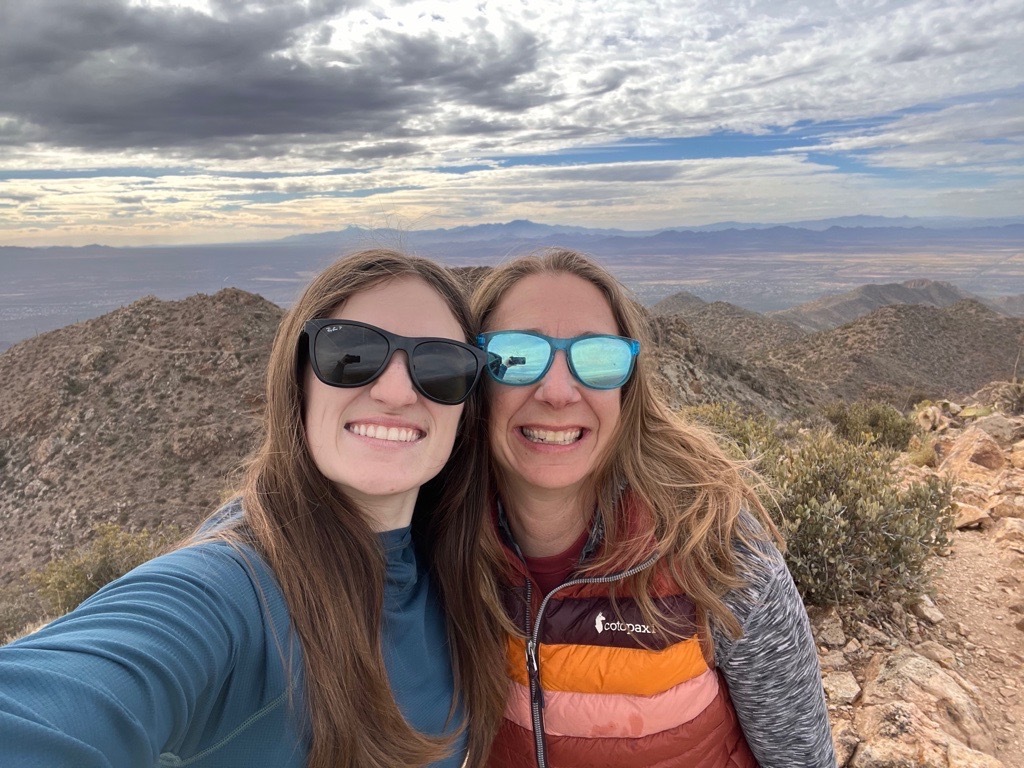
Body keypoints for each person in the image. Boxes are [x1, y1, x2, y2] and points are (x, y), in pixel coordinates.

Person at [0, 249, 508, 768]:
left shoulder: (461, 575)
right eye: (351, 354)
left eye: (441, 366)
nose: (397, 391)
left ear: (466, 408)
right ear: (299, 382)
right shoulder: (233, 592)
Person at [472, 248, 836, 767]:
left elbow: (802, 758)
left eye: (597, 357)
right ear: (475, 379)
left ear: (627, 387)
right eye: (516, 355)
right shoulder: (440, 548)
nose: (556, 391)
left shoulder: (715, 548)